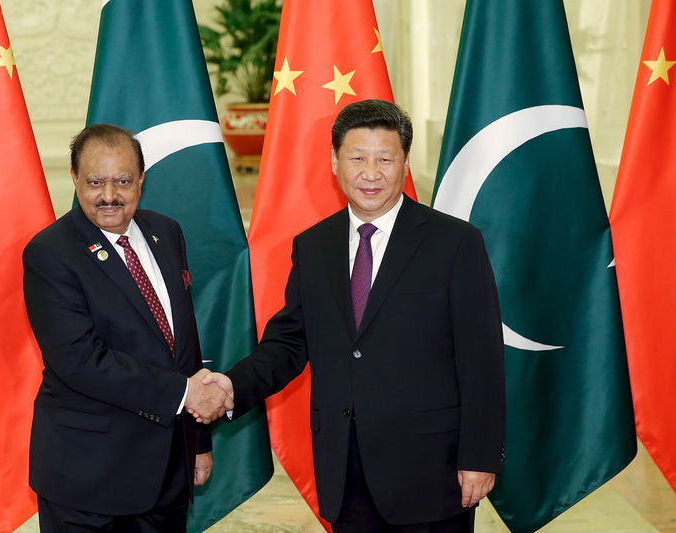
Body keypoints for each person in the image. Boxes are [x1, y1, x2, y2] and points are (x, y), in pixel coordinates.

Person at [197, 99, 505, 532]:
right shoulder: (313, 246)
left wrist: (479, 456)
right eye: (357, 158)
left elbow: (482, 360)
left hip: (431, 469)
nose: (371, 172)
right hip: (345, 467)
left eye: (385, 158)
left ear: (404, 163)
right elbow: (289, 343)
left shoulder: (455, 243)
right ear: (334, 162)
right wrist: (230, 385)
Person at [22, 123, 232, 533]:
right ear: (75, 180)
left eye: (122, 181)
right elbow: (79, 361)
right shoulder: (50, 253)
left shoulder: (165, 232)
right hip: (88, 480)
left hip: (166, 472)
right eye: (95, 182)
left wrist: (197, 444)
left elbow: (182, 343)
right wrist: (187, 393)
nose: (109, 196)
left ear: (141, 180)